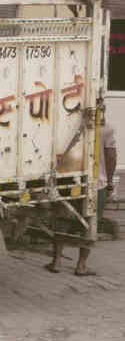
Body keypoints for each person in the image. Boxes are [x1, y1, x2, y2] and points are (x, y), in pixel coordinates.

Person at [46, 111, 117, 276]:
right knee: (90, 222)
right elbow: (111, 156)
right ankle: (81, 266)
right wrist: (110, 182)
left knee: (62, 219)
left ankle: (56, 262)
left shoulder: (64, 125)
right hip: (95, 184)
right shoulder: (106, 128)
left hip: (67, 180)